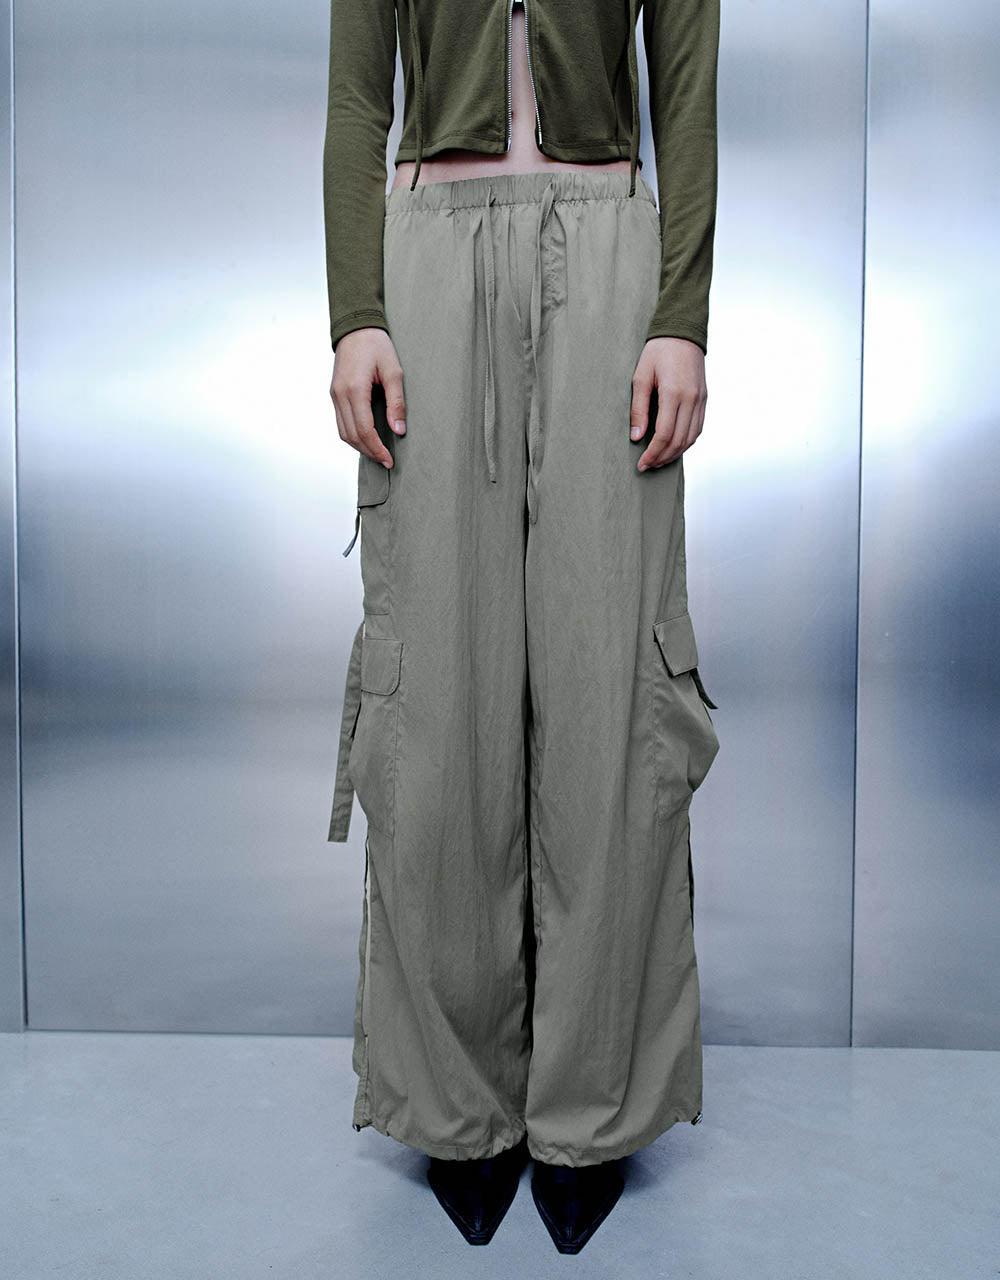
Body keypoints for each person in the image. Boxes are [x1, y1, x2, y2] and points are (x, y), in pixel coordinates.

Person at [324, 0, 721, 1255]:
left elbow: (685, 85)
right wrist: (355, 310)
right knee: (439, 700)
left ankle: (591, 1108)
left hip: (608, 253)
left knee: (610, 696)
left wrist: (679, 317)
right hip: (430, 255)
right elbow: (358, 94)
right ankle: (456, 1106)